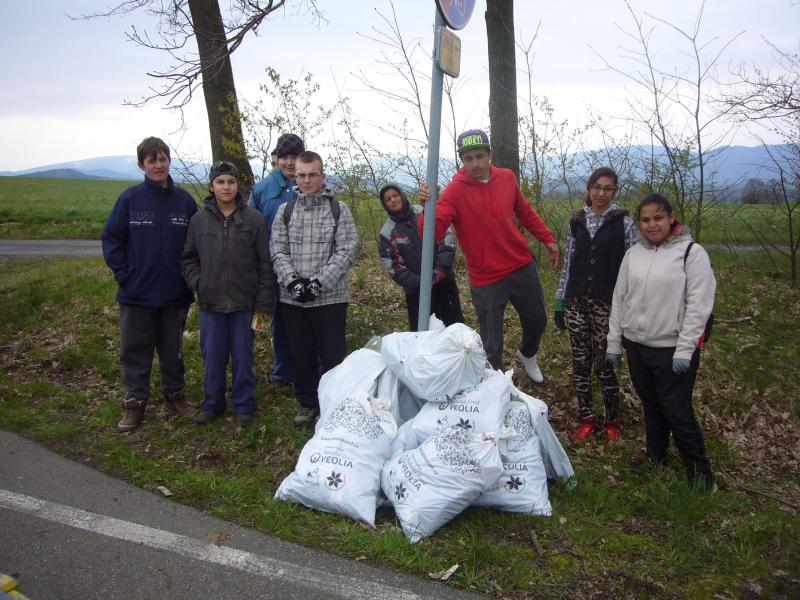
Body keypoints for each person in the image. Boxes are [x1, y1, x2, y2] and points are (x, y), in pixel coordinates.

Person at [419, 129, 559, 381]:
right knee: (492, 341)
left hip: (520, 265)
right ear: (462, 160)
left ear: (490, 154)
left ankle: (527, 354)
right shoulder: (455, 191)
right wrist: (428, 206)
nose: (475, 163)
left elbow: (524, 211)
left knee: (537, 320)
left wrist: (547, 238)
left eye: (480, 156)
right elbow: (431, 232)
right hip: (487, 277)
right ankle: (494, 387)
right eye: (468, 158)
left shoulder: (506, 178)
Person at [606, 193, 716, 492]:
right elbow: (620, 299)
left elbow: (699, 305)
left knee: (676, 410)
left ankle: (700, 473)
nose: (652, 225)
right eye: (645, 219)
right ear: (639, 224)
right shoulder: (633, 255)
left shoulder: (691, 253)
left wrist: (685, 348)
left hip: (672, 349)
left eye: (658, 218)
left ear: (671, 218)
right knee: (651, 406)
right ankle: (657, 458)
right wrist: (614, 343)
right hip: (637, 345)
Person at [102, 136, 198, 432]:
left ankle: (174, 396)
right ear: (141, 165)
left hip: (174, 294)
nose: (158, 165)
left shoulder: (184, 202)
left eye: (162, 159)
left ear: (169, 161)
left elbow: (195, 246)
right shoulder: (130, 199)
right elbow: (113, 240)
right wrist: (125, 275)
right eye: (152, 160)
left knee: (173, 352)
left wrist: (190, 280)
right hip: (137, 294)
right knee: (135, 351)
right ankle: (135, 403)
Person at [181, 161, 275, 430]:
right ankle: (212, 404)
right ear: (211, 186)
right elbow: (188, 259)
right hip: (211, 305)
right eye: (220, 182)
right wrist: (200, 283)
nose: (226, 187)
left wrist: (264, 304)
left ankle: (244, 405)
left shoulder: (254, 220)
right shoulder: (199, 220)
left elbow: (265, 264)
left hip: (245, 304)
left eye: (231, 182)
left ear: (238, 186)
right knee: (212, 357)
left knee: (243, 357)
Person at [269, 150, 359, 427]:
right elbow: (277, 250)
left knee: (332, 354)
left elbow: (347, 250)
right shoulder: (285, 211)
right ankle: (307, 404)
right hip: (293, 300)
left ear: (322, 176)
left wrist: (319, 283)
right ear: (295, 176)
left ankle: (332, 404)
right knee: (301, 352)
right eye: (301, 175)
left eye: (312, 175)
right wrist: (294, 282)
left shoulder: (338, 209)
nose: (307, 180)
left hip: (330, 298)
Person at [554, 167, 636, 444]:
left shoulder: (624, 223)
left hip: (607, 304)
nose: (601, 193)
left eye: (607, 188)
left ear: (615, 191)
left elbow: (632, 266)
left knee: (606, 362)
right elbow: (569, 262)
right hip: (577, 301)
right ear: (588, 189)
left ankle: (612, 418)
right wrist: (560, 300)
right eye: (596, 187)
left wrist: (628, 306)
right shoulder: (577, 220)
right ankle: (587, 416)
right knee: (580, 362)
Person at [249, 133, 305, 385]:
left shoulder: (309, 183)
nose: (290, 162)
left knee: (304, 318)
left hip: (305, 264)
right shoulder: (262, 189)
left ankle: (308, 367)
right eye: (285, 157)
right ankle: (282, 371)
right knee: (278, 319)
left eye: (295, 156)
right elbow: (249, 229)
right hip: (271, 266)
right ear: (277, 158)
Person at [378, 183, 464, 331]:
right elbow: (394, 268)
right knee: (423, 337)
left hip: (444, 284)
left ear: (402, 195)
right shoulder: (387, 233)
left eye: (395, 195)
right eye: (388, 199)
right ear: (385, 204)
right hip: (416, 293)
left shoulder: (425, 212)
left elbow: (447, 240)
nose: (393, 200)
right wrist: (421, 282)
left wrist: (439, 272)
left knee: (455, 330)